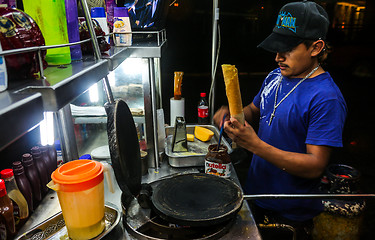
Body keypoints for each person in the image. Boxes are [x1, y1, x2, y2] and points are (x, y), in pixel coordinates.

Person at [214, 1, 347, 239]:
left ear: (316, 47)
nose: (277, 57)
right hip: (255, 196)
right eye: (276, 47)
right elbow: (256, 110)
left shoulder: (326, 98)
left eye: (287, 49)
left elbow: (315, 165)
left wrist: (254, 145)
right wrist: (233, 117)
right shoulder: (276, 76)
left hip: (289, 215)